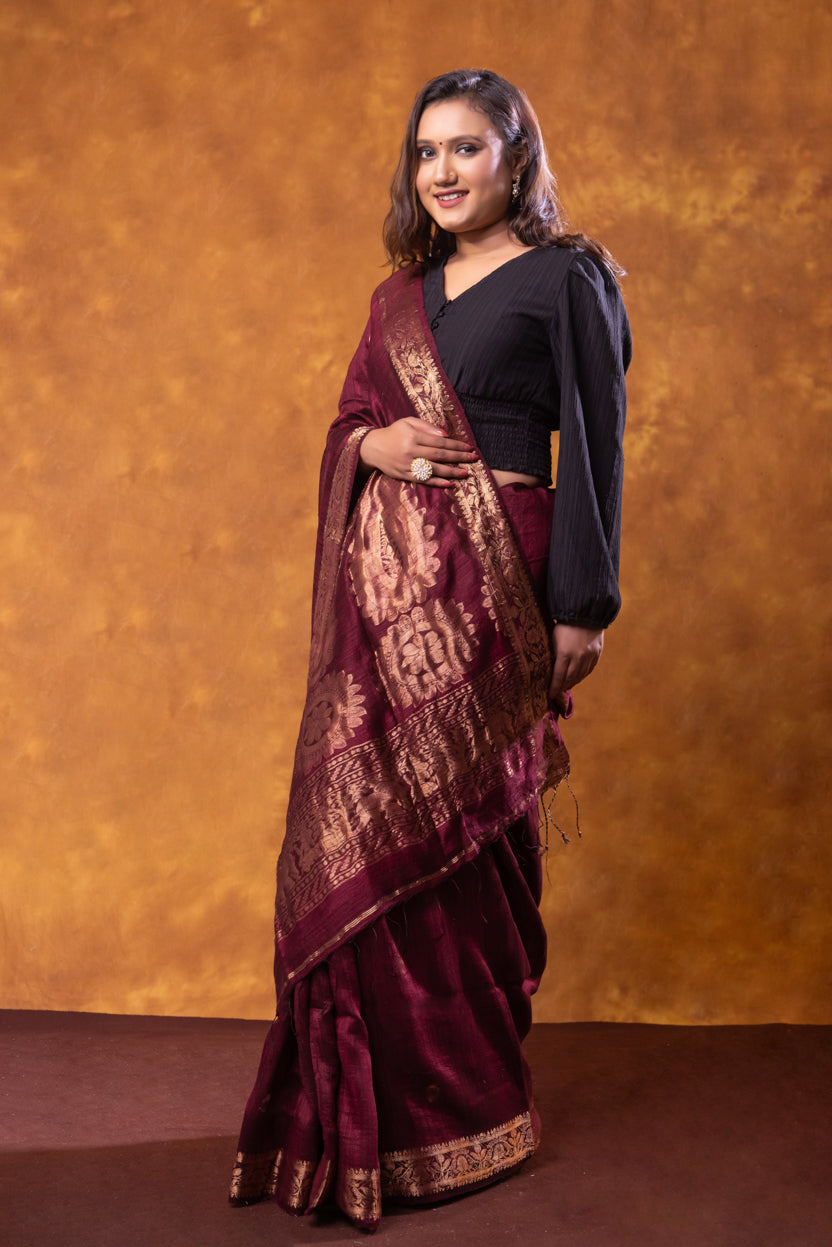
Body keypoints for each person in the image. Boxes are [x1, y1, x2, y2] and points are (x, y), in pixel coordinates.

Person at [229, 68, 631, 1233]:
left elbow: (597, 441)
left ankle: (473, 1102)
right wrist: (377, 444)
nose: (443, 172)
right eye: (425, 153)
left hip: (504, 582)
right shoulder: (396, 298)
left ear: (515, 156)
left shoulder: (568, 277)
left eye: (465, 148)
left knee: (472, 842)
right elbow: (349, 425)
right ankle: (368, 1118)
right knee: (366, 829)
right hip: (381, 604)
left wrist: (583, 605)